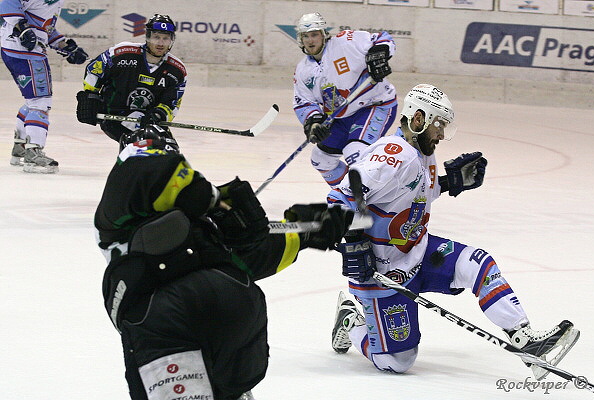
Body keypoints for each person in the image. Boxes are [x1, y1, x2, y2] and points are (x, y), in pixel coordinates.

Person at [327, 84, 580, 380]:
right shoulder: (392, 155)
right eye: (439, 125)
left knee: (479, 264)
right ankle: (350, 321)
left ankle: (526, 341)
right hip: (384, 270)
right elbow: (340, 197)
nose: (441, 134)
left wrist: (451, 182)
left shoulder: (423, 154)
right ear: (418, 119)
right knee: (397, 361)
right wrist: (355, 242)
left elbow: (416, 195)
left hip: (419, 251)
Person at [95, 125, 354, 400]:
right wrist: (216, 201)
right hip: (231, 306)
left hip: (171, 320)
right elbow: (146, 167)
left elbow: (244, 256)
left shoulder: (159, 218)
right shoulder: (131, 209)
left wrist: (303, 229)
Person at [293, 12, 397, 188]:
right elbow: (303, 102)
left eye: (314, 34)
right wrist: (314, 123)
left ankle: (378, 195)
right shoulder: (303, 70)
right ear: (300, 39)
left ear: (323, 34)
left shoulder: (346, 41)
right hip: (340, 117)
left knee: (355, 153)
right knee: (321, 160)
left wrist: (379, 54)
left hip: (374, 105)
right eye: (306, 36)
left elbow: (383, 38)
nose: (310, 40)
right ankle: (347, 194)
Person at [1, 0, 88, 173]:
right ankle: (33, 154)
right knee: (41, 102)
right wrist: (22, 28)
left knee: (33, 101)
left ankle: (21, 147)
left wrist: (65, 47)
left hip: (18, 49)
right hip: (25, 52)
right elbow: (7, 2)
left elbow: (43, 27)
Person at [76, 14, 186, 145]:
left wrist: (158, 115)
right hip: (114, 117)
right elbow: (95, 69)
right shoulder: (123, 53)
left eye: (165, 38)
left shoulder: (177, 70)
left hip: (147, 122)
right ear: (148, 36)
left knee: (168, 147)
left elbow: (172, 103)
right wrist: (90, 96)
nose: (160, 43)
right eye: (156, 37)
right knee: (138, 145)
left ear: (172, 40)